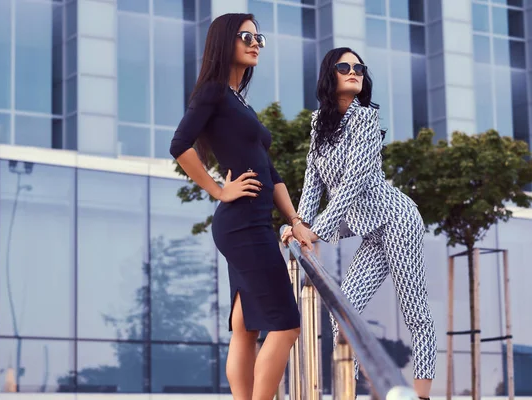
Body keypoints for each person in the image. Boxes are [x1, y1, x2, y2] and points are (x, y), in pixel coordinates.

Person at [282, 47, 436, 399]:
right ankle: (348, 392)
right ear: (329, 74)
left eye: (359, 68)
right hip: (372, 231)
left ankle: (422, 394)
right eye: (344, 66)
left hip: (397, 219)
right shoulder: (318, 123)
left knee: (415, 310)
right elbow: (313, 181)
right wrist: (299, 223)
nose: (353, 71)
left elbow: (353, 182)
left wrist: (316, 230)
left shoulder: (366, 120)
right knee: (343, 312)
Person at [169, 13, 301, 400]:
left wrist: (295, 219)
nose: (255, 42)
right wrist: (218, 190)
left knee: (247, 328)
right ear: (224, 41)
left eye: (259, 37)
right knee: (287, 325)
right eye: (246, 36)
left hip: (253, 222)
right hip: (242, 222)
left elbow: (271, 173)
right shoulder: (212, 91)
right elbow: (179, 145)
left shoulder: (237, 101)